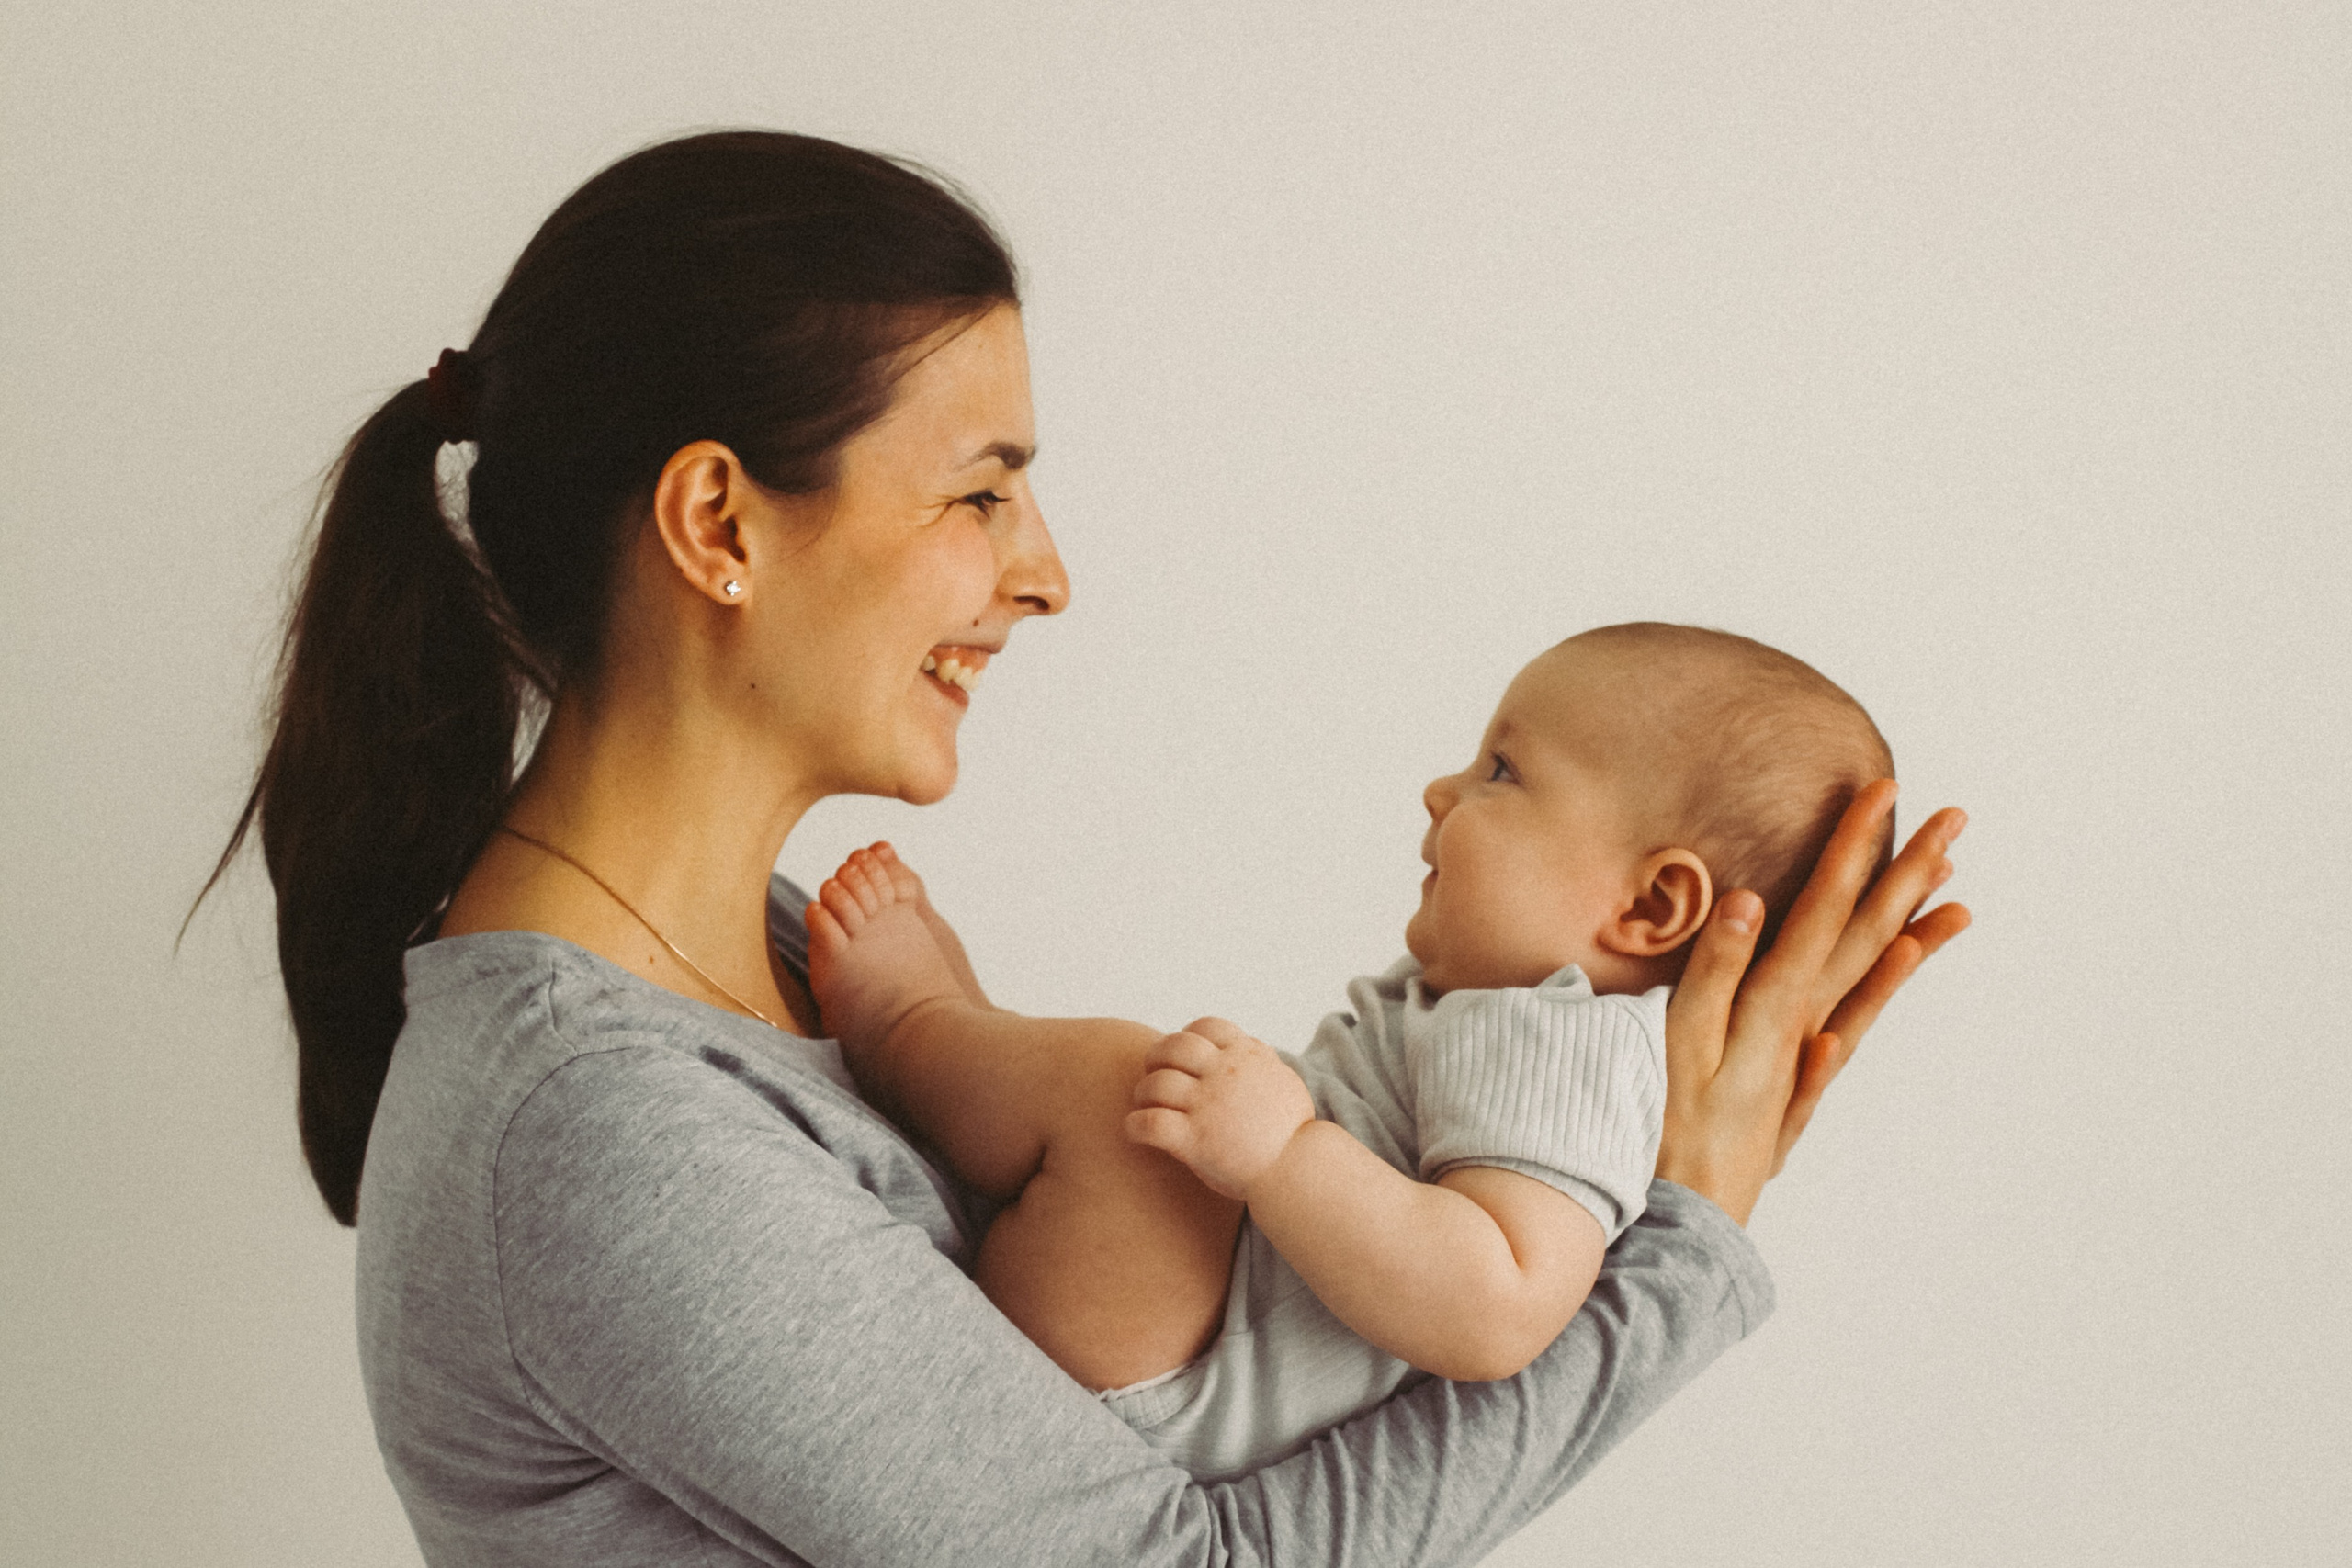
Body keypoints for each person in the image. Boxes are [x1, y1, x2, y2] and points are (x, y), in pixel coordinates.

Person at [209, 130, 1969, 1565]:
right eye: (980, 490)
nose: (1044, 569)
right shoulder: (592, 1126)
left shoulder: (775, 953)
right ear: (719, 522)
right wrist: (1683, 1249)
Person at [802, 621, 1903, 1477]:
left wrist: (1283, 1154)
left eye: (1504, 773)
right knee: (1127, 1102)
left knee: (1114, 1093)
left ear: (1653, 905)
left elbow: (1499, 1303)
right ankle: (966, 1038)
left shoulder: (1567, 1045)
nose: (1444, 790)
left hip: (1186, 1389)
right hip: (1191, 1329)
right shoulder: (1494, 1007)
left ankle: (908, 1028)